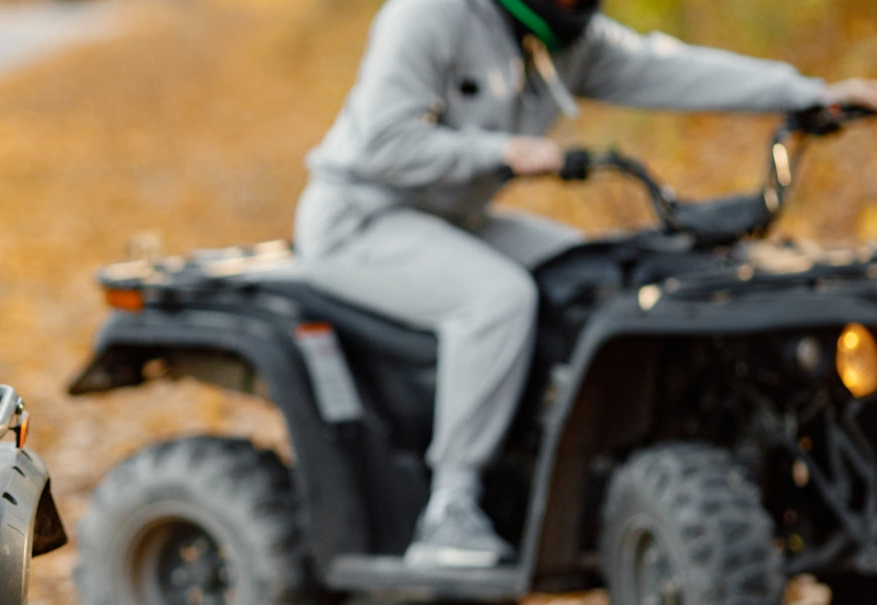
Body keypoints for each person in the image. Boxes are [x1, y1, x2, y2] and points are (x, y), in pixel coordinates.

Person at [294, 0, 877, 568]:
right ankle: (451, 506)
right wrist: (504, 152)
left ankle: (549, 452)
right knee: (498, 299)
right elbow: (382, 141)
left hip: (457, 220)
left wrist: (807, 93)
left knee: (594, 273)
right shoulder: (432, 14)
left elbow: (669, 68)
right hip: (360, 217)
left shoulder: (568, 34)